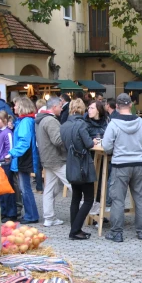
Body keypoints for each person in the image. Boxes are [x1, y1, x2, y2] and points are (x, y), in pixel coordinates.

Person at [101, 93, 142, 243]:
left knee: (118, 200)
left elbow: (106, 146)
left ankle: (117, 233)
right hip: (139, 165)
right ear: (131, 105)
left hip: (120, 166)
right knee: (141, 199)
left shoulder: (113, 124)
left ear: (116, 106)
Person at [61, 99, 96, 240]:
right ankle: (75, 230)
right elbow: (88, 144)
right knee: (88, 199)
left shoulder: (64, 125)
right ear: (82, 109)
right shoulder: (81, 124)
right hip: (83, 166)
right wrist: (93, 141)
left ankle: (75, 229)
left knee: (75, 198)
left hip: (71, 165)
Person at [36, 97, 71, 227]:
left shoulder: (41, 119)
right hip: (57, 159)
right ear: (54, 106)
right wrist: (69, 137)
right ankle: (90, 212)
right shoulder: (51, 121)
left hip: (47, 158)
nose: (62, 109)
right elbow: (57, 140)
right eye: (60, 106)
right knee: (75, 184)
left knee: (49, 189)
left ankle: (49, 218)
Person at [7, 98, 40, 224]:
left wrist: (11, 153)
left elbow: (24, 142)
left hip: (23, 158)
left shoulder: (25, 121)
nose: (14, 108)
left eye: (15, 106)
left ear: (21, 107)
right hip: (24, 157)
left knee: (25, 188)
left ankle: (31, 215)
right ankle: (31, 214)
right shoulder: (26, 120)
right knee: (24, 187)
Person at [0, 110, 18, 222]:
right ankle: (4, 211)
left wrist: (2, 159)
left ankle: (11, 213)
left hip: (4, 165)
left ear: (4, 120)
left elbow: (10, 149)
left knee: (7, 190)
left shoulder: (7, 133)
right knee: (0, 191)